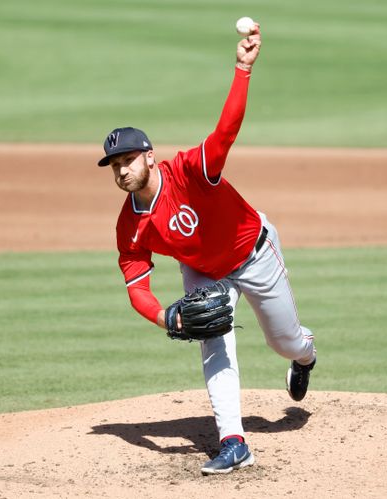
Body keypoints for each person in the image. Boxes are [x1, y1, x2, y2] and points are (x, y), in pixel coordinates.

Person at [97, 24, 316, 475]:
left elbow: (225, 132)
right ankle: (234, 441)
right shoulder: (129, 225)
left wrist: (242, 68)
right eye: (115, 166)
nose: (122, 171)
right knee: (212, 338)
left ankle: (306, 355)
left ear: (149, 156)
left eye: (128, 160)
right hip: (203, 272)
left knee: (284, 341)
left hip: (253, 252)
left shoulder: (189, 172)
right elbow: (136, 284)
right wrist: (166, 316)